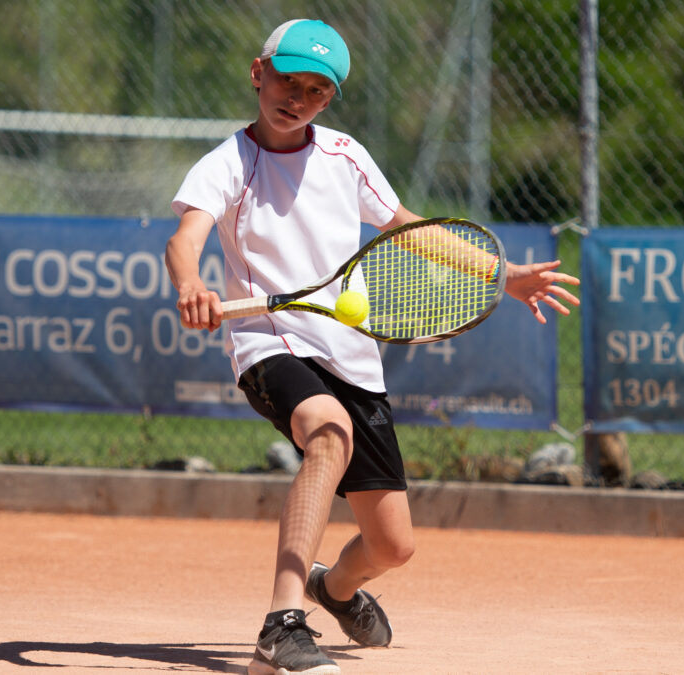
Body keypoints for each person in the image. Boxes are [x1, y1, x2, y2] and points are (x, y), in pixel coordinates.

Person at [165, 18, 581, 675]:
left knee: (393, 544)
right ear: (256, 73)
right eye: (286, 79)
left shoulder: (345, 156)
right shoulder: (229, 164)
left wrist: (503, 277)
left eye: (315, 89)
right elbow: (185, 236)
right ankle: (281, 624)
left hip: (351, 354)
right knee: (326, 432)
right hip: (269, 341)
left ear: (328, 99)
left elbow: (406, 227)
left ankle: (332, 587)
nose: (295, 96)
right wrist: (189, 283)